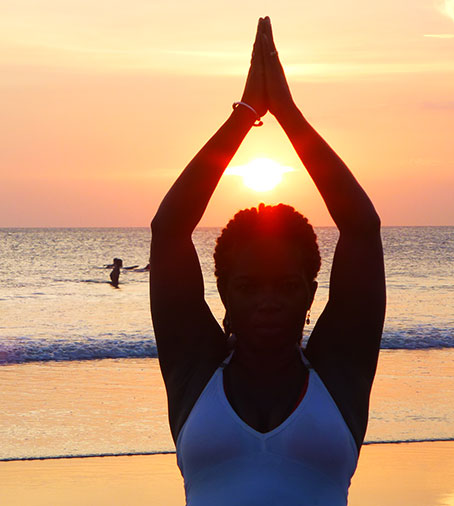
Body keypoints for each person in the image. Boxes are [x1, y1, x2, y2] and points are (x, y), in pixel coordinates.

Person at [149, 17, 384, 505]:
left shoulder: (340, 372)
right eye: (249, 286)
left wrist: (289, 112)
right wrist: (248, 113)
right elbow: (168, 231)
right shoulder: (194, 371)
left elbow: (362, 228)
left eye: (285, 285)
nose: (268, 302)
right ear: (224, 292)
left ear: (310, 291)